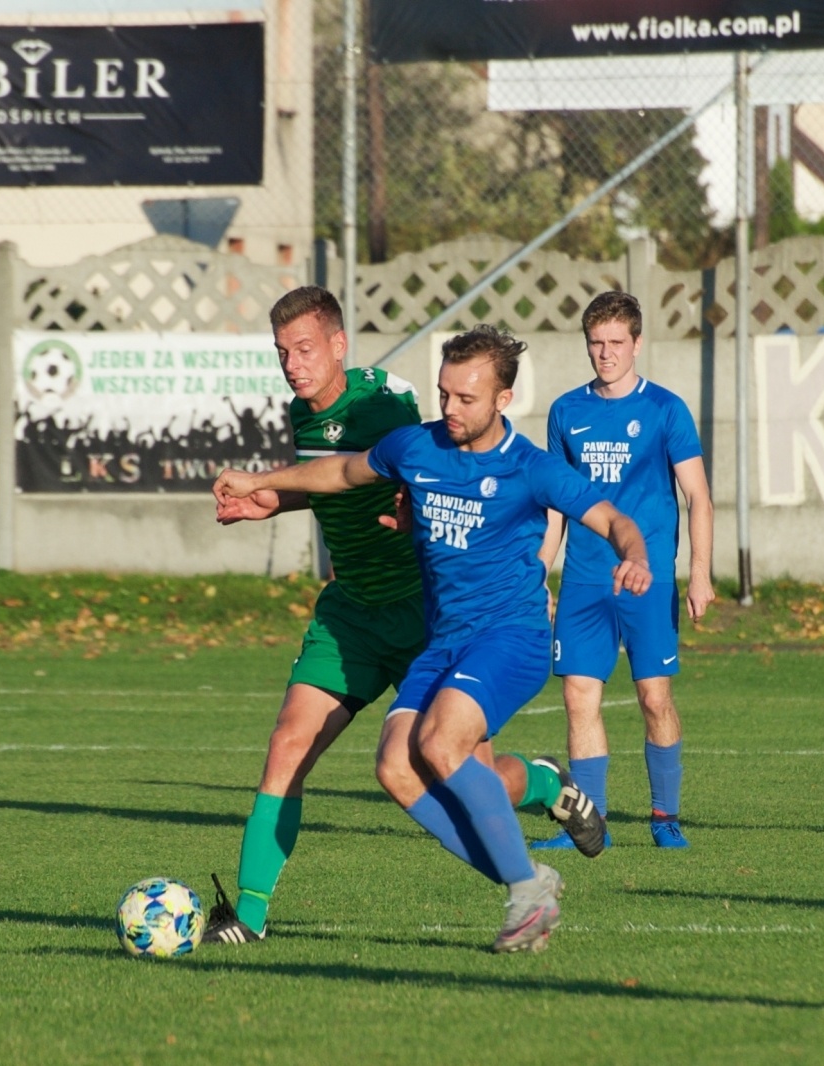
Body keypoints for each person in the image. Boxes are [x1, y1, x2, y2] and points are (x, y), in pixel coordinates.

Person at [216, 324, 648, 953]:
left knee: (440, 744)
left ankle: (527, 892)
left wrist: (634, 557)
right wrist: (260, 484)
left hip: (512, 638)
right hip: (445, 640)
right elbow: (340, 472)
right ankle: (532, 848)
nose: (449, 409)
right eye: (444, 393)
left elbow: (610, 517)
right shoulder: (417, 447)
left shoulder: (530, 468)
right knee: (395, 767)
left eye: (466, 399)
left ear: (502, 398)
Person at [536, 291, 715, 850]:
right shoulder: (567, 411)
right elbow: (555, 504)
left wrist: (701, 572)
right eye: (596, 343)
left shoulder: (666, 409)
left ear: (637, 343)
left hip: (648, 577)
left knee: (654, 697)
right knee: (578, 698)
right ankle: (589, 824)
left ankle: (665, 817)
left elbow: (698, 497)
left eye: (616, 343)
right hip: (585, 579)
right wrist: (541, 571)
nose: (606, 353)